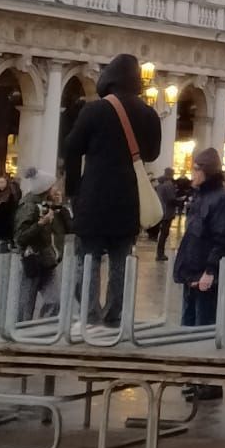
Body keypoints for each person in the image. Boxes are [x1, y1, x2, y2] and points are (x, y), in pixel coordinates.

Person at [61, 53, 163, 325]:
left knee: (90, 257)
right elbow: (152, 154)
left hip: (94, 196)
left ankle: (89, 312)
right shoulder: (149, 113)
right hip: (129, 198)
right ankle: (113, 314)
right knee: (121, 259)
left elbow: (71, 147)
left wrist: (73, 190)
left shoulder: (95, 110)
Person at [173, 149, 225, 400]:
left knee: (205, 328)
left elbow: (223, 239)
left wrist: (210, 271)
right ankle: (194, 377)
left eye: (196, 169)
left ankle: (209, 381)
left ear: (207, 171)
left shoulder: (222, 200)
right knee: (189, 327)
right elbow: (192, 237)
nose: (192, 174)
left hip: (206, 275)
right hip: (192, 272)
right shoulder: (200, 197)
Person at [12, 167, 69, 324]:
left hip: (47, 260)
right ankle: (21, 333)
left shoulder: (47, 204)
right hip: (32, 260)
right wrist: (40, 224)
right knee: (25, 305)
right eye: (52, 186)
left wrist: (59, 207)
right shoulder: (29, 206)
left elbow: (67, 227)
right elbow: (20, 237)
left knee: (54, 300)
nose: (55, 189)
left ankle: (41, 329)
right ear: (45, 188)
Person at [153, 167, 179, 268]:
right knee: (164, 234)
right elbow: (171, 199)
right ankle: (160, 254)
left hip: (161, 210)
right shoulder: (169, 185)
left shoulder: (160, 184)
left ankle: (159, 253)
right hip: (167, 212)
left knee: (162, 234)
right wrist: (179, 201)